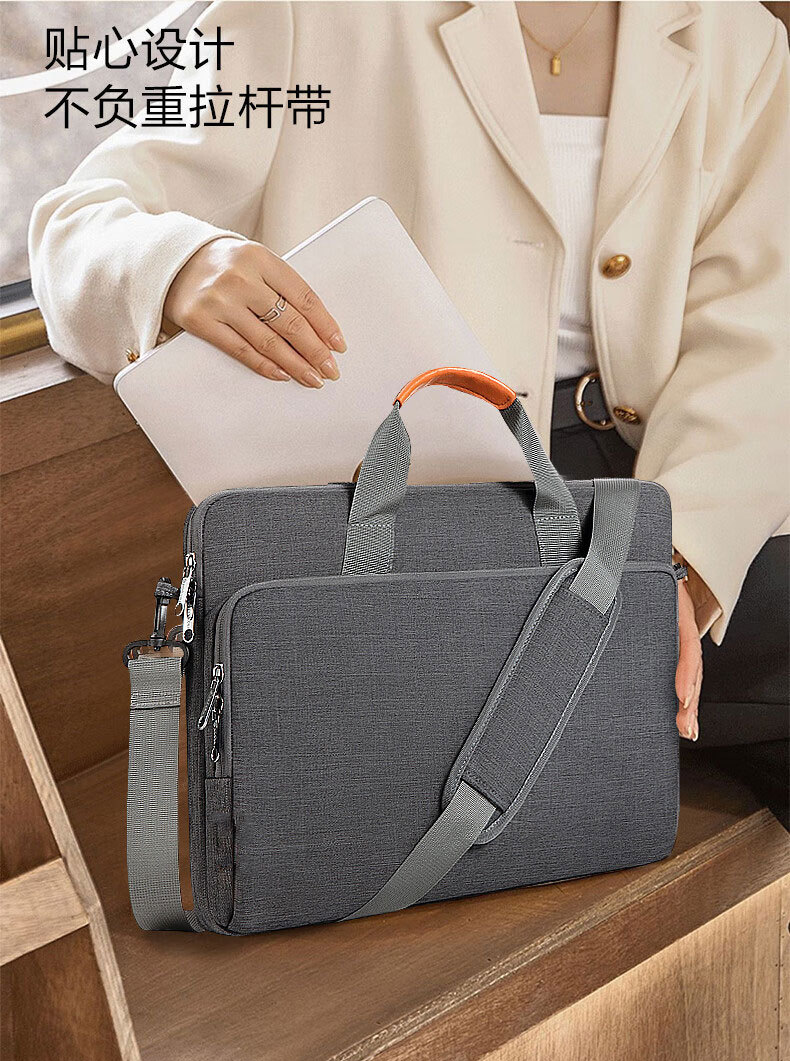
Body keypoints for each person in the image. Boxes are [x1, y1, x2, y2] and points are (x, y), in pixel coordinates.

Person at [29, 1, 789, 808]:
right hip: (407, 508)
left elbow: (759, 330)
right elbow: (77, 223)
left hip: (656, 486)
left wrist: (675, 563)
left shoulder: (738, 37)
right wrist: (179, 264)